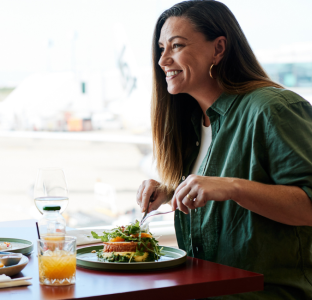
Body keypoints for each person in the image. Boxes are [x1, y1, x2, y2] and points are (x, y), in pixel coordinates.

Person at [135, 1, 312, 298]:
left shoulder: (273, 109)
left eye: (176, 46)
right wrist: (172, 189)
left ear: (218, 49)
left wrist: (233, 188)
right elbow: (214, 187)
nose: (163, 60)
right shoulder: (192, 123)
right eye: (161, 48)